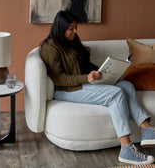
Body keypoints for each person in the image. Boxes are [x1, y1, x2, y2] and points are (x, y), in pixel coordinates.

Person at [40, 10, 155, 165]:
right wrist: (86, 78)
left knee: (126, 85)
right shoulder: (49, 48)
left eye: (75, 27)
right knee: (116, 94)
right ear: (60, 28)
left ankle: (147, 129)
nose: (75, 31)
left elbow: (85, 65)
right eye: (71, 28)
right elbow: (59, 79)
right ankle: (126, 149)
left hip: (85, 83)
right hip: (67, 90)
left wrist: (103, 72)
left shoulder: (72, 41)